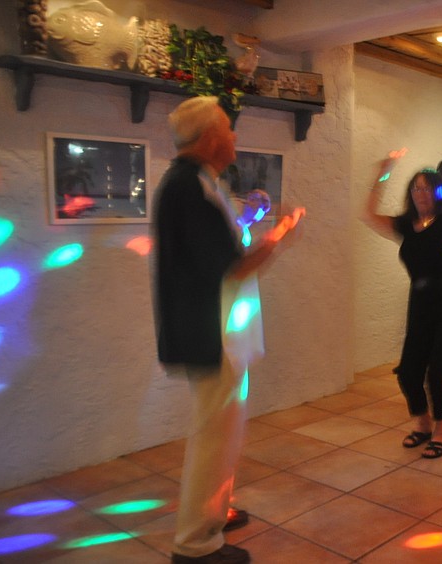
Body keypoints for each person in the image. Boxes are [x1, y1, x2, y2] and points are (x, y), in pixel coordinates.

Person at [152, 95, 302, 564]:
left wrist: (249, 220)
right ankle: (195, 545)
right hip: (211, 334)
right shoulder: (188, 186)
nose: (235, 137)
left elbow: (214, 251)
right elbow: (233, 268)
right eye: (229, 129)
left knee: (221, 434)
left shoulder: (198, 182)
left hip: (218, 332)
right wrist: (281, 234)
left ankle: (214, 512)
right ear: (212, 137)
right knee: (213, 437)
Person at [364, 153, 442, 459]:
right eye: (416, 189)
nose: (421, 194)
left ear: (438, 192)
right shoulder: (407, 225)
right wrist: (383, 173)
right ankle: (422, 424)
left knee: (436, 373)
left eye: (426, 188)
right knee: (407, 371)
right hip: (422, 304)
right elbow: (369, 213)